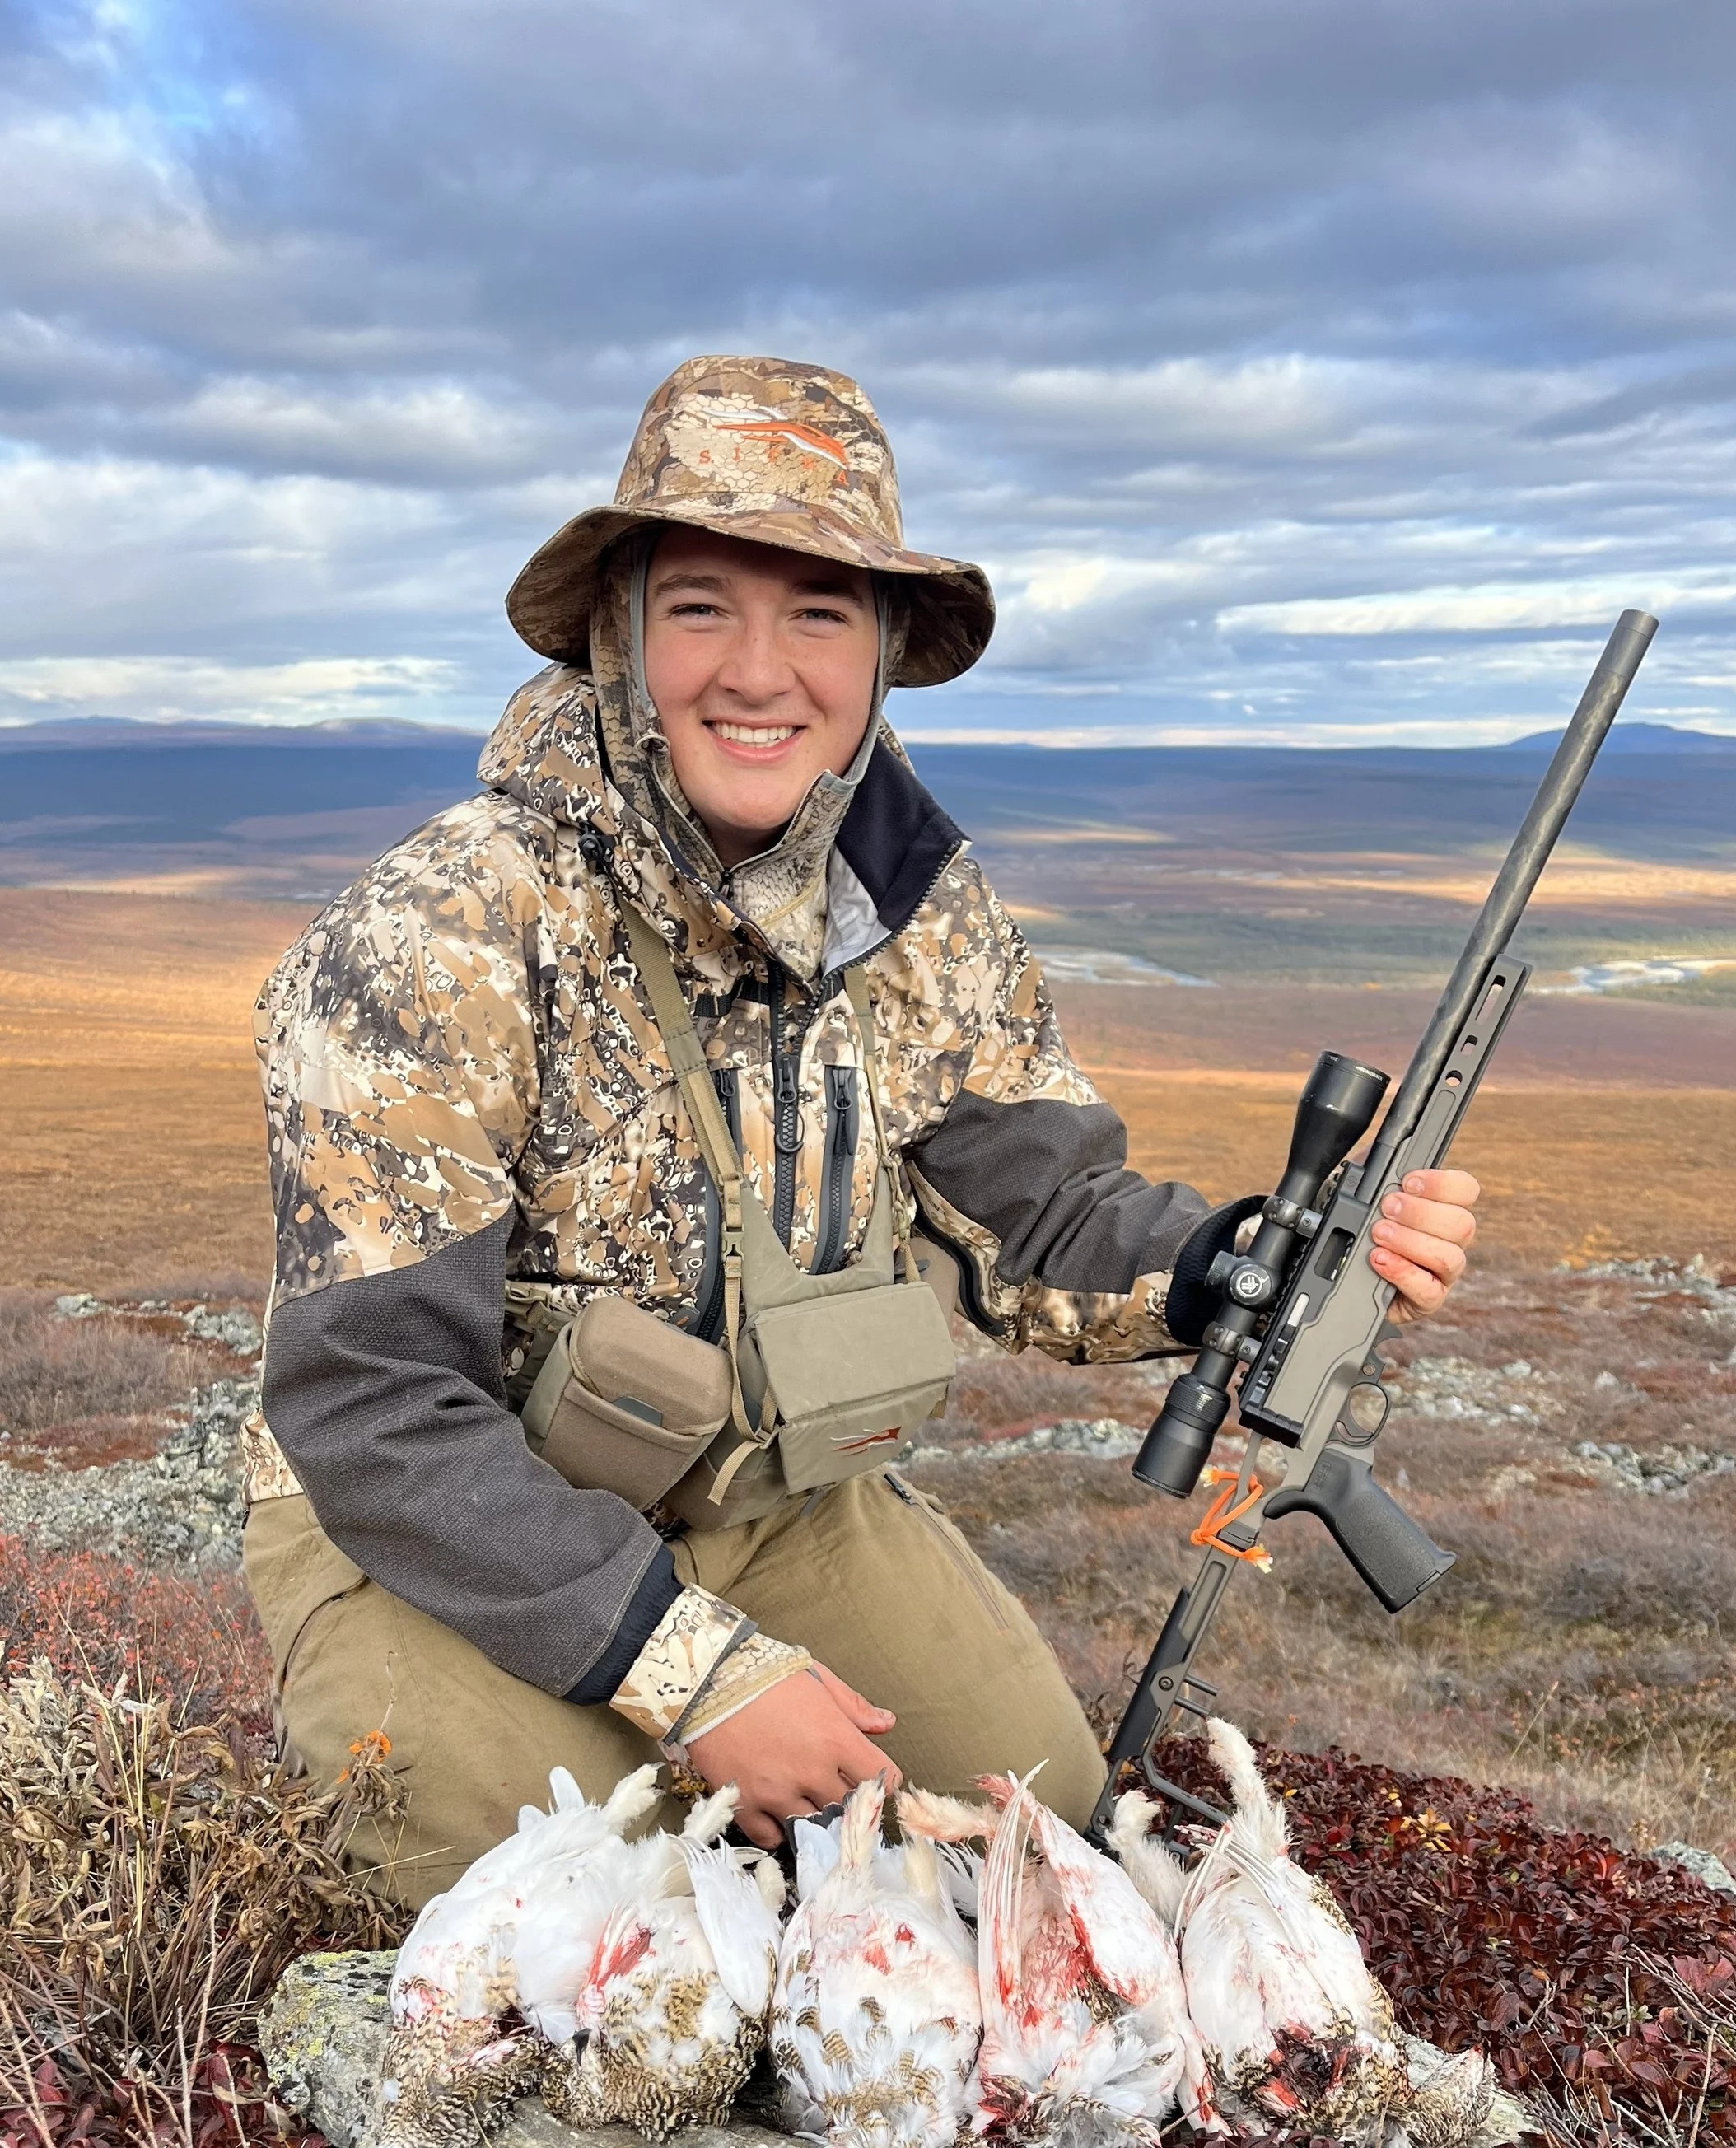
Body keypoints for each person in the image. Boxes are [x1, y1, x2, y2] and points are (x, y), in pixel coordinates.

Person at [243, 356, 1477, 1901]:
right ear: (619, 634)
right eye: (701, 606)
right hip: (443, 1533)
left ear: (884, 651)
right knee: (607, 1929)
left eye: (819, 612)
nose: (760, 671)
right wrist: (697, 1679)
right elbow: (371, 1407)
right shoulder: (440, 932)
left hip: (771, 1501)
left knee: (1047, 1852)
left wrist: (1239, 1261)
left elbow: (1036, 1218)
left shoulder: (907, 901)